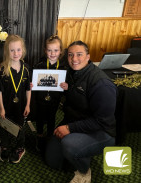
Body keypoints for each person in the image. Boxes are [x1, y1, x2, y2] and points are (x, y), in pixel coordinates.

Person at [45, 41, 116, 183]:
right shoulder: (72, 73)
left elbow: (102, 121)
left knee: (69, 145)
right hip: (75, 121)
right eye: (70, 55)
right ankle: (82, 152)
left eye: (79, 54)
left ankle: (84, 171)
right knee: (52, 160)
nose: (74, 59)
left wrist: (69, 128)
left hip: (101, 131)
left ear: (88, 57)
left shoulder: (101, 83)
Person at [0, 34, 31, 163]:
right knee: (4, 126)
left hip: (21, 106)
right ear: (7, 52)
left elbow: (28, 89)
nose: (16, 53)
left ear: (23, 50)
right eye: (12, 50)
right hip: (5, 107)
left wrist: (28, 105)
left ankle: (19, 147)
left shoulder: (27, 69)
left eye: (18, 49)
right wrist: (1, 108)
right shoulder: (2, 69)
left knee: (20, 126)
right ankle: (4, 146)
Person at [33, 35, 67, 151]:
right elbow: (34, 80)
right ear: (45, 51)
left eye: (56, 50)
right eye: (49, 50)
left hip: (55, 98)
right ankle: (39, 135)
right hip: (40, 98)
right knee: (40, 117)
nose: (53, 53)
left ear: (61, 51)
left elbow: (67, 83)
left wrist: (66, 86)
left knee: (52, 116)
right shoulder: (39, 65)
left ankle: (50, 137)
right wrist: (32, 84)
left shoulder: (64, 67)